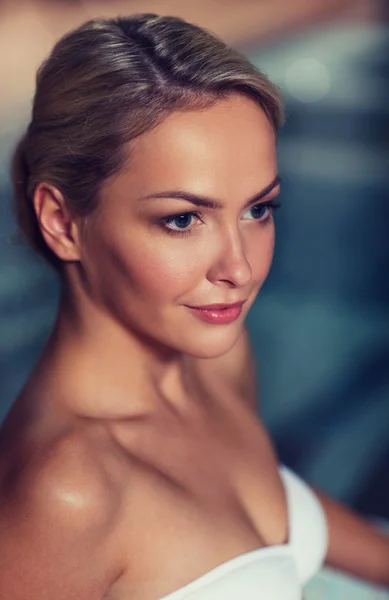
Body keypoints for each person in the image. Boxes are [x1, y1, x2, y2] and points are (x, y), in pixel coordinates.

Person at [0, 14, 388, 600]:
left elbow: (270, 514)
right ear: (62, 221)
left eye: (258, 210)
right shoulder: (68, 495)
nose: (239, 268)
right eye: (182, 220)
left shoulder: (213, 359)